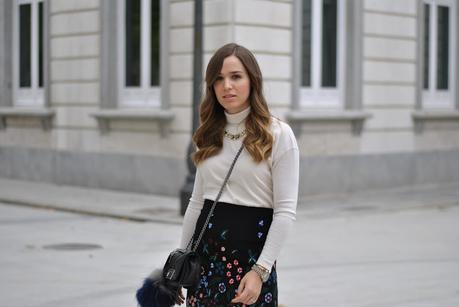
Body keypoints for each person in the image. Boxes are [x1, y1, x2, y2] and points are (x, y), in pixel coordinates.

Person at [179, 43, 299, 307]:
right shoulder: (208, 134)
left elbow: (285, 212)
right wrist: (181, 259)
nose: (227, 86)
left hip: (250, 266)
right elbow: (197, 204)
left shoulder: (278, 135)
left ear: (252, 80)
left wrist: (260, 271)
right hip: (205, 265)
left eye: (236, 76)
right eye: (218, 79)